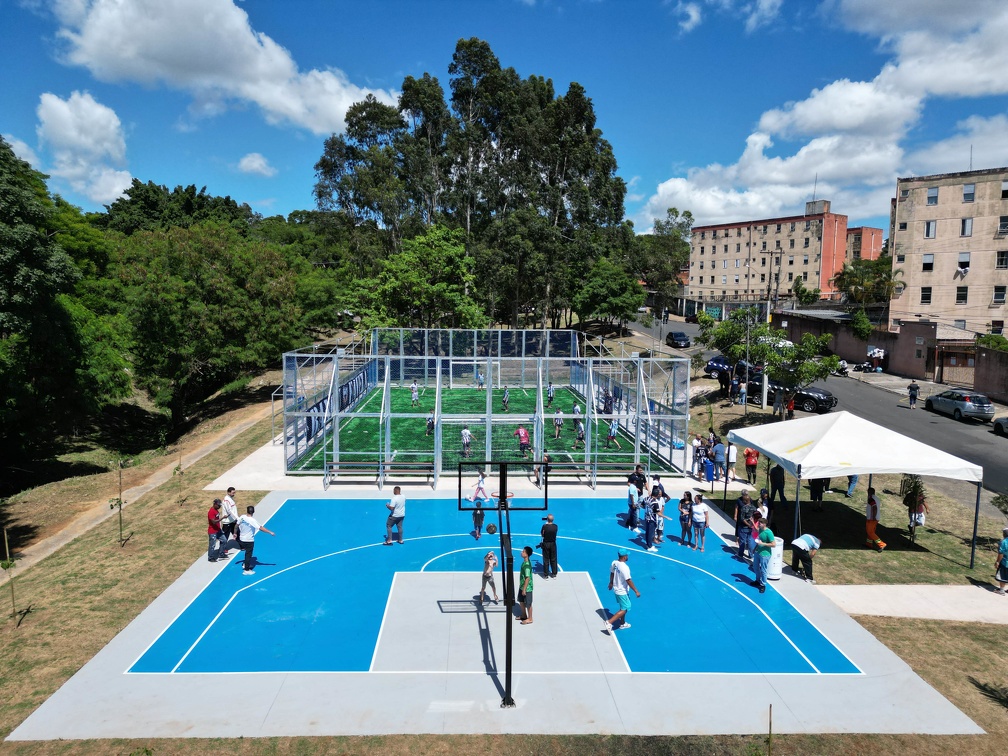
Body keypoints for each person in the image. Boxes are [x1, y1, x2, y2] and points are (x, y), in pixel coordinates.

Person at [603, 548, 640, 633]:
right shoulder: (625, 568)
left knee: (623, 607)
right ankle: (609, 622)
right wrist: (636, 591)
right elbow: (628, 580)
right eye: (627, 555)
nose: (628, 556)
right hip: (622, 591)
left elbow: (612, 573)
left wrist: (611, 583)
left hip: (617, 589)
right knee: (625, 608)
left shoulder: (615, 563)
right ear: (624, 557)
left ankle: (622, 623)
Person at [236, 505, 275, 575]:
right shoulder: (252, 520)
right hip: (249, 540)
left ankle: (245, 564)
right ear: (253, 512)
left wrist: (235, 533)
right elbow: (260, 528)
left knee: (246, 553)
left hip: (242, 539)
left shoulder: (242, 517)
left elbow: (237, 525)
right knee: (248, 555)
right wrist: (270, 532)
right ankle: (246, 570)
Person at [753, 515, 774, 593]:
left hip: (765, 554)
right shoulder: (760, 530)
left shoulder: (769, 532)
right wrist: (755, 549)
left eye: (760, 523)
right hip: (758, 552)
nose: (759, 524)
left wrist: (763, 544)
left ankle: (763, 585)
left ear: (765, 524)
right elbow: (759, 539)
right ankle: (757, 580)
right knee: (755, 567)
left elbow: (773, 544)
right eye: (759, 522)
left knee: (763, 570)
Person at [734, 492, 757, 561]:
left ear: (745, 501)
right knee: (750, 541)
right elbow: (756, 517)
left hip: (744, 527)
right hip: (751, 527)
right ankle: (751, 554)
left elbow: (742, 518)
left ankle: (740, 554)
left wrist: (748, 524)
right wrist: (752, 524)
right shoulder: (754, 508)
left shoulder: (744, 508)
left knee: (742, 541)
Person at [865, 486, 886, 551]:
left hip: (872, 518)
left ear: (869, 492)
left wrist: (873, 517)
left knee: (870, 532)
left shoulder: (871, 499)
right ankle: (869, 543)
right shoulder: (877, 498)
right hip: (876, 518)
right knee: (871, 531)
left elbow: (874, 508)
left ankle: (882, 544)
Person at [518, 546, 534, 624]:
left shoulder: (527, 565)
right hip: (522, 586)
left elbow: (527, 578)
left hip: (527, 588)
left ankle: (530, 618)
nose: (522, 552)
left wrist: (524, 589)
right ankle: (524, 615)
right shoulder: (524, 562)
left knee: (528, 603)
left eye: (523, 551)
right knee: (521, 601)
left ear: (527, 554)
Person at [642, 486, 661, 552]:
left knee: (647, 532)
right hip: (652, 520)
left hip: (646, 518)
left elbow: (642, 505)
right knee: (651, 533)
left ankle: (648, 544)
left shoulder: (646, 498)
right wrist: (664, 516)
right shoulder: (655, 503)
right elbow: (658, 512)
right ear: (657, 495)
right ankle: (649, 546)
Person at [769, 463, 787, 527]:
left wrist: (783, 483)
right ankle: (770, 505)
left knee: (782, 495)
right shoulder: (773, 470)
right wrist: (772, 484)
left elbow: (783, 477)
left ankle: (784, 505)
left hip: (780, 484)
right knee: (772, 496)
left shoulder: (782, 469)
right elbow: (771, 477)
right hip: (774, 484)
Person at [995, 527, 1008, 595]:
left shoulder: (1004, 542)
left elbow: (1001, 553)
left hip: (1005, 562)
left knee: (1003, 576)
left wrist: (997, 562)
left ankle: (1001, 590)